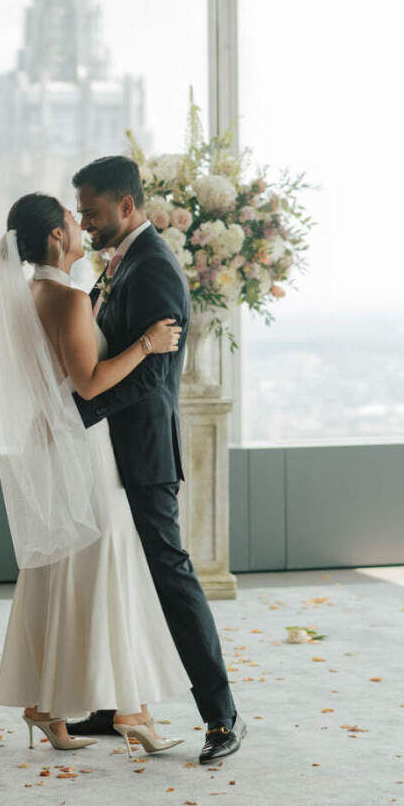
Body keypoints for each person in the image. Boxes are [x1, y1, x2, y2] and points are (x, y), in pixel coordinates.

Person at [0, 191, 190, 757]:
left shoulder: (27, 293)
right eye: (71, 221)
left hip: (48, 442)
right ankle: (130, 708)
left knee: (65, 564)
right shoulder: (69, 298)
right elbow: (90, 382)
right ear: (56, 237)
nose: (81, 226)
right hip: (82, 446)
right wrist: (148, 345)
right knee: (109, 562)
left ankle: (47, 706)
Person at [67, 156, 246, 765]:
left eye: (92, 212)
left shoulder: (155, 267)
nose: (86, 224)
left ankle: (222, 717)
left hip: (141, 452)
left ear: (126, 205)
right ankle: (113, 703)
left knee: (172, 576)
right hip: (106, 452)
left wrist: (81, 411)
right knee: (114, 572)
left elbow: (156, 375)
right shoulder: (122, 263)